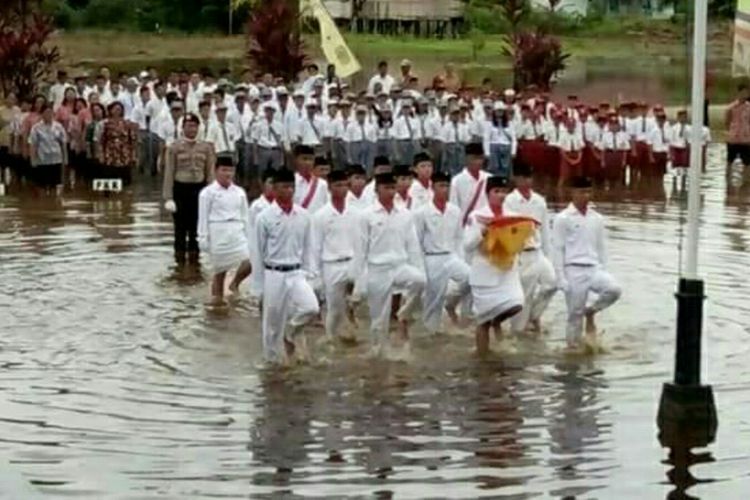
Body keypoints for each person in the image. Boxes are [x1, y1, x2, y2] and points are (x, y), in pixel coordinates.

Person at [353, 172, 426, 357]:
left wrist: (418, 267)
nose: (391, 192)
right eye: (387, 188)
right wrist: (358, 281)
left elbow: (413, 244)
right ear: (377, 189)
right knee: (379, 320)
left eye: (393, 188)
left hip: (400, 265)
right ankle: (379, 352)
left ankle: (404, 313)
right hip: (377, 269)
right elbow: (360, 250)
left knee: (419, 280)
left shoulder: (404, 214)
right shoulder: (366, 216)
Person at [253, 167, 320, 364]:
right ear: (274, 188)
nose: (289, 191)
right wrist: (258, 286)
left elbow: (309, 246)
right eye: (284, 187)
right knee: (272, 323)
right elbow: (257, 252)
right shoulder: (264, 217)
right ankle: (272, 364)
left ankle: (291, 333)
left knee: (311, 308)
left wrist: (311, 272)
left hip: (296, 272)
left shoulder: (304, 216)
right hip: (274, 272)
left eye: (291, 187)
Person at [552, 176, 621, 351]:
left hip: (593, 268)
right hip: (573, 270)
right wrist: (560, 277)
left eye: (589, 191)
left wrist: (604, 269)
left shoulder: (596, 218)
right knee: (574, 316)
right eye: (582, 191)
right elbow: (558, 249)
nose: (586, 195)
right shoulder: (563, 218)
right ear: (573, 192)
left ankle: (591, 310)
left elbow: (601, 246)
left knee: (614, 290)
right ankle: (572, 349)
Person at [463, 176, 524, 356]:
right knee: (483, 320)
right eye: (496, 191)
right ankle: (483, 357)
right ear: (488, 193)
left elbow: (519, 241)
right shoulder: (476, 217)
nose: (501, 195)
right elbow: (467, 245)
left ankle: (497, 321)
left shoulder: (512, 216)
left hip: (507, 271)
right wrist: (483, 230)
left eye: (504, 191)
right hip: (484, 271)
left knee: (516, 303)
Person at [413, 171, 470, 335]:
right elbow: (417, 242)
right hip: (432, 258)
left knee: (471, 278)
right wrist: (420, 267)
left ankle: (451, 303)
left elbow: (459, 237)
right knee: (434, 301)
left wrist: (460, 258)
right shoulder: (421, 213)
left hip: (451, 256)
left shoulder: (455, 211)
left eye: (447, 186)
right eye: (441, 186)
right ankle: (430, 334)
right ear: (433, 187)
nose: (444, 190)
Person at [503, 164, 557, 335]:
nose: (527, 181)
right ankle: (518, 331)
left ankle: (534, 316)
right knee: (524, 295)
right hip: (521, 255)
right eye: (523, 178)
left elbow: (545, 231)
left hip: (538, 252)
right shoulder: (509, 201)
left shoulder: (539, 201)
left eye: (529, 178)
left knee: (552, 284)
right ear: (516, 179)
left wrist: (549, 257)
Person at [311, 169, 362, 341]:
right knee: (334, 307)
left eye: (344, 185)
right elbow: (315, 247)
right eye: (337, 185)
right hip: (331, 264)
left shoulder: (356, 213)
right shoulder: (320, 216)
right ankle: (331, 338)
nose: (342, 189)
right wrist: (316, 275)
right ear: (330, 188)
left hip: (353, 262)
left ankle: (350, 321)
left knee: (361, 295)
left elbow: (361, 241)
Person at [197, 155, 252, 306]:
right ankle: (217, 301)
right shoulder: (207, 193)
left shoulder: (239, 192)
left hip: (236, 230)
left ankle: (235, 283)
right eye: (224, 170)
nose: (228, 174)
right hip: (217, 231)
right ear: (216, 171)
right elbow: (203, 217)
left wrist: (249, 236)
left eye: (231, 170)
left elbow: (245, 216)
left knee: (251, 260)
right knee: (219, 270)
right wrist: (202, 238)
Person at [163, 113, 216, 265]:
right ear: (182, 128)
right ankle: (179, 263)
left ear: (198, 128)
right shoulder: (174, 147)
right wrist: (168, 197)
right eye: (188, 126)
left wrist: (212, 193)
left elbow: (210, 172)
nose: (191, 129)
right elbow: (169, 172)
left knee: (196, 229)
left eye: (194, 126)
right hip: (180, 190)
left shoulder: (206, 147)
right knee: (180, 229)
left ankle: (194, 264)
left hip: (199, 191)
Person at [28, 103, 67, 192]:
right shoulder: (36, 127)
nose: (48, 115)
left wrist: (65, 158)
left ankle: (53, 203)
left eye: (50, 113)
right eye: (46, 113)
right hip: (42, 159)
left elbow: (63, 143)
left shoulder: (58, 126)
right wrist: (33, 159)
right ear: (42, 114)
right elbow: (33, 144)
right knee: (42, 185)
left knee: (56, 184)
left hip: (56, 158)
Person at [449, 143, 490, 228]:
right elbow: (454, 209)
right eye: (474, 158)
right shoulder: (457, 181)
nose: (478, 162)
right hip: (467, 226)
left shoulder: (489, 178)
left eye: (480, 158)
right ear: (467, 159)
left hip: (487, 225)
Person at [98, 101, 138, 185]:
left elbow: (132, 140)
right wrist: (101, 154)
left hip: (124, 155)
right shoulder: (105, 124)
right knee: (110, 180)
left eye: (119, 109)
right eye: (115, 109)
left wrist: (134, 155)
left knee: (125, 180)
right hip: (110, 155)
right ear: (111, 110)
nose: (117, 111)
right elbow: (101, 141)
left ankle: (124, 196)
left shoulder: (127, 124)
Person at [483, 104, 516, 179]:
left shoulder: (509, 124)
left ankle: (503, 184)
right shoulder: (489, 124)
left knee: (505, 168)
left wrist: (513, 151)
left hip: (506, 147)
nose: (499, 113)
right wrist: (487, 152)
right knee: (494, 168)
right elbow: (486, 139)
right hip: (494, 147)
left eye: (501, 111)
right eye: (498, 111)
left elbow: (513, 139)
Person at [292, 144, 329, 213]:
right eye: (304, 159)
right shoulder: (290, 182)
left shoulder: (322, 184)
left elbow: (327, 206)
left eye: (311, 159)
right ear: (295, 160)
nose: (308, 163)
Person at [724, 83, 750, 167]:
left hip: (746, 139)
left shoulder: (749, 107)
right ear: (738, 93)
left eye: (746, 93)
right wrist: (730, 133)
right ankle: (728, 179)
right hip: (733, 139)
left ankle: (746, 180)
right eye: (743, 92)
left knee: (747, 163)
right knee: (729, 161)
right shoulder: (731, 107)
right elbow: (727, 122)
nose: (745, 95)